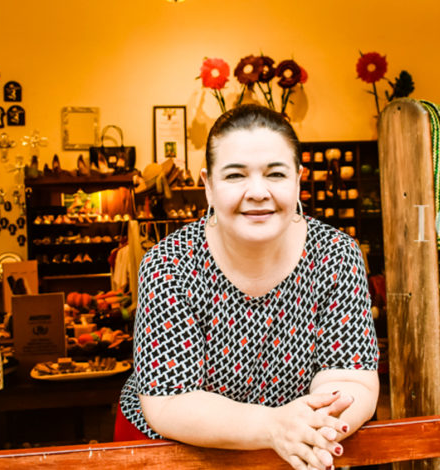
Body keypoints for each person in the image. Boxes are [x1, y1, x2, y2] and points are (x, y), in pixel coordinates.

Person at [117, 104, 379, 470]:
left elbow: (351, 376)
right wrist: (273, 425)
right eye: (235, 176)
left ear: (299, 179)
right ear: (208, 185)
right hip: (174, 454)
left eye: (275, 174)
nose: (257, 192)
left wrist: (318, 425)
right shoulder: (169, 262)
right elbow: (168, 401)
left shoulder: (336, 254)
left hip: (295, 449)